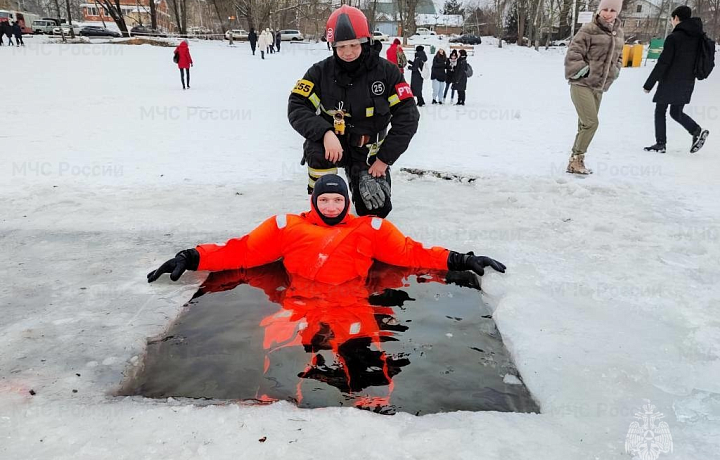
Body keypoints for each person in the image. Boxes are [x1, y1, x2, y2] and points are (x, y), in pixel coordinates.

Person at [147, 174, 506, 287]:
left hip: (353, 304)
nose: (331, 207)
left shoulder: (371, 227)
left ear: (347, 202)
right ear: (315, 200)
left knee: (371, 374)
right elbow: (241, 252)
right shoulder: (286, 226)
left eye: (338, 201)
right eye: (325, 200)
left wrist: (459, 258)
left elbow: (412, 254)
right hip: (299, 303)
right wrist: (192, 256)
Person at [287, 5, 420, 218]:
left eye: (353, 45)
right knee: (318, 156)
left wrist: (384, 160)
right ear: (332, 46)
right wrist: (325, 133)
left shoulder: (387, 73)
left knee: (375, 209)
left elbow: (408, 117)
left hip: (368, 152)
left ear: (365, 41)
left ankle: (357, 179)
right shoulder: (320, 72)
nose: (347, 52)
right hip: (332, 146)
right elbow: (296, 106)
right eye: (340, 47)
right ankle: (323, 204)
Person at [563, 0, 624, 175]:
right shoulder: (589, 29)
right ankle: (576, 159)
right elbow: (573, 53)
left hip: (599, 86)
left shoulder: (618, 32)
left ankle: (575, 162)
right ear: (599, 10)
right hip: (581, 83)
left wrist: (615, 70)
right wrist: (584, 71)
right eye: (605, 9)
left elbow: (619, 56)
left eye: (613, 10)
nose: (608, 13)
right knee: (591, 123)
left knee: (584, 124)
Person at [643, 5, 710, 154]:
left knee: (660, 110)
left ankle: (661, 144)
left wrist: (649, 84)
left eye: (671, 19)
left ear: (676, 18)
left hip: (670, 80)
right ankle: (696, 131)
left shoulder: (674, 38)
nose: (671, 22)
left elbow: (663, 62)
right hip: (687, 81)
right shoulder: (698, 37)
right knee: (676, 112)